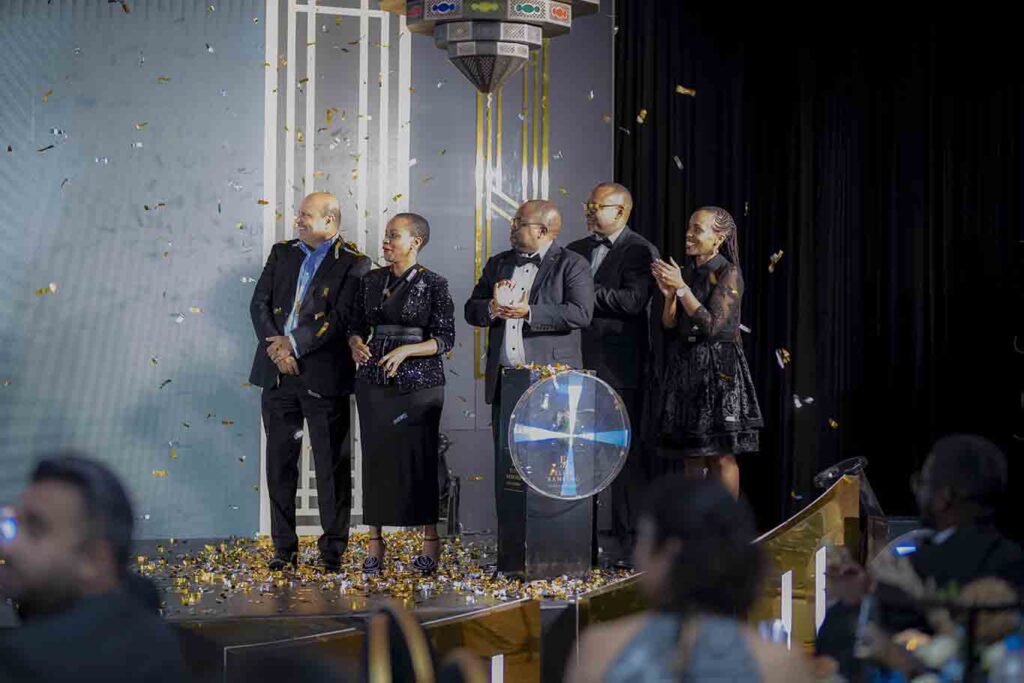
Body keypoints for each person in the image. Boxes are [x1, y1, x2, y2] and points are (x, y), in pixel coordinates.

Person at [567, 476, 813, 683]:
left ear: (670, 552)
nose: (637, 553)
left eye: (644, 538)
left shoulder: (602, 650)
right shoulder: (779, 664)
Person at [249, 192, 371, 572]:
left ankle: (332, 552)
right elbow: (259, 304)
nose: (298, 220)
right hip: (277, 374)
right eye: (299, 214)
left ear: (329, 221)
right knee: (279, 465)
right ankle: (283, 549)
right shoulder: (281, 253)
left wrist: (295, 345)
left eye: (305, 215)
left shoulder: (355, 262)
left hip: (324, 376)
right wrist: (278, 351)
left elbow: (341, 317)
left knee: (331, 467)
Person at [0, 455, 186, 682]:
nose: (7, 547)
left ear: (94, 559)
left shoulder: (24, 663)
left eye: (35, 529)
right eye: (14, 525)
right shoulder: (153, 639)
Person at [463, 200, 594, 506]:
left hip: (551, 381)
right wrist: (492, 307)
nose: (512, 227)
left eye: (519, 223)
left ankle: (552, 531)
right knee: (507, 466)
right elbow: (472, 309)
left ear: (542, 230)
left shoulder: (572, 263)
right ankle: (509, 534)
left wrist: (529, 312)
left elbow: (581, 313)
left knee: (552, 461)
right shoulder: (499, 262)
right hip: (506, 382)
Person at [348, 213, 455, 576]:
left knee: (420, 458)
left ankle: (430, 541)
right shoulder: (370, 280)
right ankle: (374, 542)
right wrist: (356, 343)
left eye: (394, 236)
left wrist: (407, 350)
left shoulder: (435, 284)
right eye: (386, 235)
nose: (386, 242)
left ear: (415, 242)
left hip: (421, 383)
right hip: (373, 379)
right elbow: (355, 325)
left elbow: (445, 339)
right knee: (376, 457)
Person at [567, 182, 659, 556]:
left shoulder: (639, 249)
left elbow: (633, 301)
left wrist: (584, 295)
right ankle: (581, 539)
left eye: (597, 206)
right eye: (588, 205)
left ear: (620, 211)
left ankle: (630, 540)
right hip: (579, 362)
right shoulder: (575, 250)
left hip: (621, 367)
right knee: (581, 450)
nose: (589, 212)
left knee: (623, 454)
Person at [649, 206, 763, 499]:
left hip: (718, 371)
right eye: (689, 227)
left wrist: (682, 289)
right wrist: (669, 297)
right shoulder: (686, 273)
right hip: (687, 367)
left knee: (720, 455)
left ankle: (727, 523)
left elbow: (713, 326)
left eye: (697, 229)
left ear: (719, 238)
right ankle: (695, 523)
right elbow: (670, 327)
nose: (688, 234)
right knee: (692, 455)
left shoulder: (729, 272)